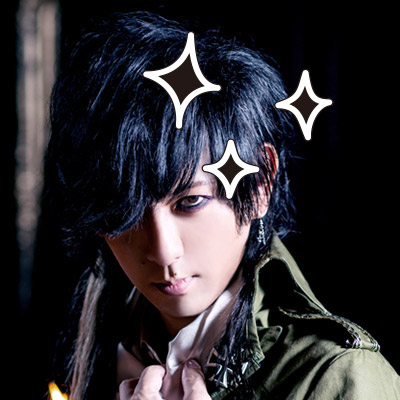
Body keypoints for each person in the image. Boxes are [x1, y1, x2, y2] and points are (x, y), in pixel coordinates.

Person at [45, 11, 400, 400]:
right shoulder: (82, 344)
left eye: (191, 202)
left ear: (261, 181)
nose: (163, 251)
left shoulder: (339, 377)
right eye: (124, 212)